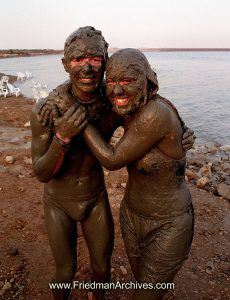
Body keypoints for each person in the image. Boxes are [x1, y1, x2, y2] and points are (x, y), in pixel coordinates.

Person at [33, 27, 195, 300]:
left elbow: (145, 108)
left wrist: (180, 128)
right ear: (64, 64)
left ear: (105, 61)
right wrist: (61, 137)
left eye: (95, 59)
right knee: (64, 272)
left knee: (101, 268)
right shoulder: (47, 109)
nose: (87, 68)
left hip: (95, 198)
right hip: (59, 201)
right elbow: (40, 173)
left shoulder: (110, 104)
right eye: (77, 60)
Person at [81, 48, 194, 300]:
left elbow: (111, 160)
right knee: (142, 286)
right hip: (131, 216)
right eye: (111, 81)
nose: (118, 91)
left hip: (168, 223)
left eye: (128, 81)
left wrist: (81, 123)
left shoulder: (155, 113)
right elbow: (87, 92)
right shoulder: (128, 108)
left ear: (146, 80)